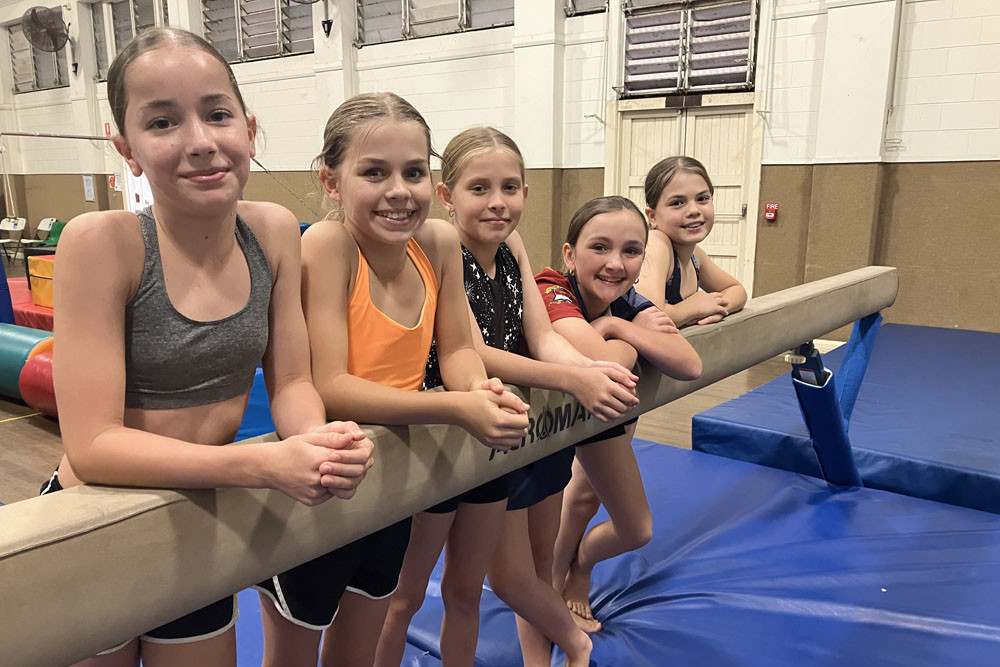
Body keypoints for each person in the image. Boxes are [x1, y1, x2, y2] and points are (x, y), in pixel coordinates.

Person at [43, 27, 374, 667]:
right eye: (162, 122)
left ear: (248, 128)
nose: (200, 142)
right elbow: (95, 445)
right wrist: (262, 466)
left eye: (217, 114)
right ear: (126, 146)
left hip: (197, 519)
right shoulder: (102, 243)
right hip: (97, 521)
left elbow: (295, 381)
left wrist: (314, 443)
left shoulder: (274, 231)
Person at [256, 95, 531, 667]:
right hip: (325, 481)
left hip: (389, 485)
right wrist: (456, 407)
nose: (399, 190)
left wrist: (478, 388)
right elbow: (330, 384)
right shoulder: (328, 246)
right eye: (374, 173)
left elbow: (456, 346)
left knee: (358, 647)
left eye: (414, 172)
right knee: (294, 654)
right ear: (331, 182)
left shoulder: (436, 242)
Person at [374, 127, 637, 667]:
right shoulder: (435, 248)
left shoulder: (513, 247)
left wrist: (588, 368)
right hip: (444, 432)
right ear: (446, 196)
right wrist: (572, 380)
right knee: (405, 595)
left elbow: (541, 336)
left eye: (511, 187)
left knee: (466, 591)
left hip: (500, 433)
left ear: (526, 192)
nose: (498, 202)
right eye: (479, 189)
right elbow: (473, 352)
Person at [537, 196, 702, 628]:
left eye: (631, 251)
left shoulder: (627, 301)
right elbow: (599, 360)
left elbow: (690, 364)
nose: (615, 263)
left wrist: (615, 326)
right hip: (543, 427)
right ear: (569, 254)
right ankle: (554, 585)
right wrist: (630, 340)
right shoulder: (551, 287)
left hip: (601, 415)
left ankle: (582, 567)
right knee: (564, 510)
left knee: (634, 528)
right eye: (600, 248)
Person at [635, 156, 747, 326]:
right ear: (652, 217)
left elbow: (737, 290)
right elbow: (650, 316)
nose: (693, 210)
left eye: (702, 199)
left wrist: (716, 308)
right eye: (677, 203)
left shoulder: (695, 255)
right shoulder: (656, 244)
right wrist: (693, 309)